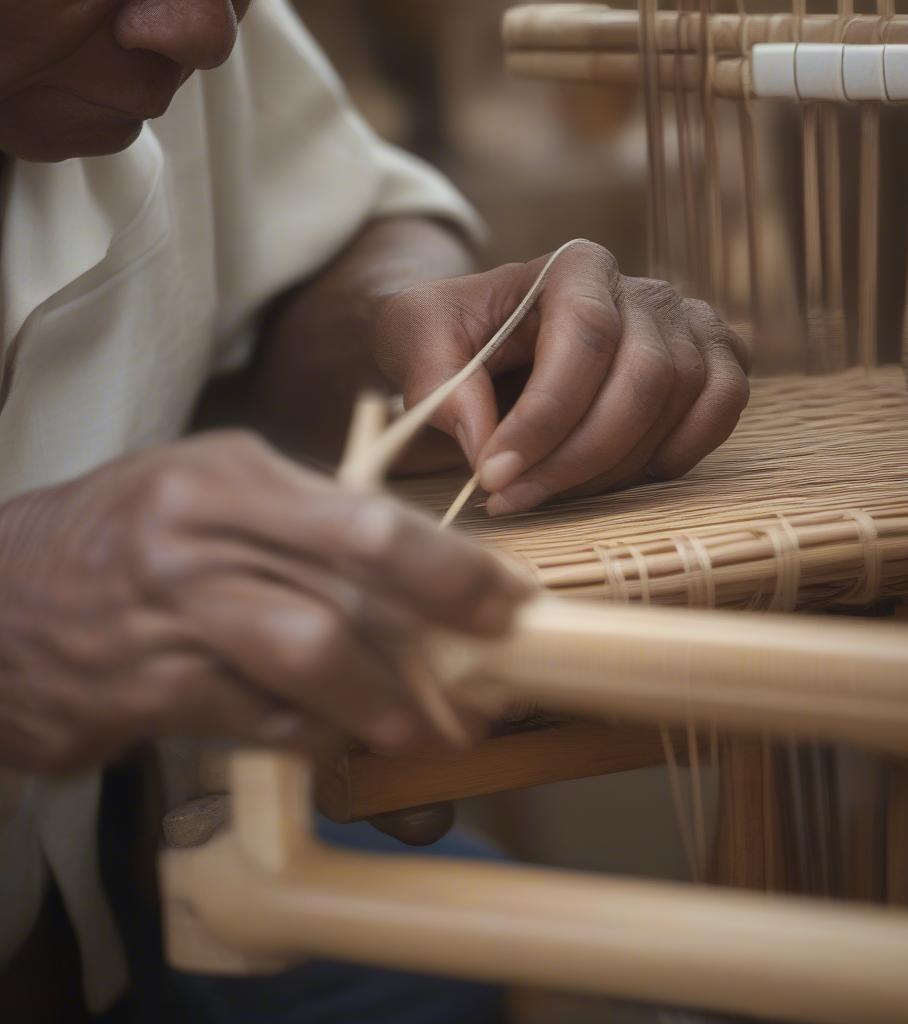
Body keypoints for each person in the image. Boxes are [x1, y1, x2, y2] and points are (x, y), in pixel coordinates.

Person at [0, 2, 750, 1021]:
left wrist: (399, 315)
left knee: (443, 962)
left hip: (100, 891)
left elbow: (335, 218)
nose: (204, 36)